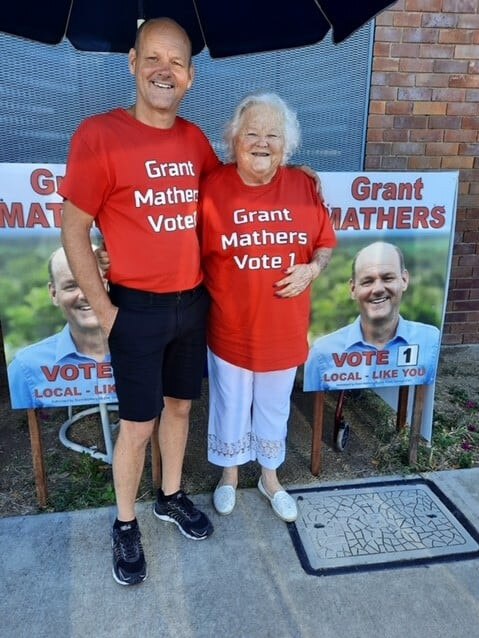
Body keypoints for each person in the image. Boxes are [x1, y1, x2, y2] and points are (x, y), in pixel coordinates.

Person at [59, 17, 222, 587]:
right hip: (136, 309)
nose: (163, 71)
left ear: (191, 77)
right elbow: (74, 229)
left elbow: (228, 199)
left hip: (191, 303)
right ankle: (125, 523)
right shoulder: (98, 136)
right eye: (153, 58)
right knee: (138, 423)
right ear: (131, 62)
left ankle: (170, 495)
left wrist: (293, 176)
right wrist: (106, 312)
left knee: (180, 408)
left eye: (175, 62)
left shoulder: (196, 141)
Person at [199, 92, 336, 522]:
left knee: (275, 405)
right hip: (230, 327)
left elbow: (326, 244)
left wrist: (313, 269)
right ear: (234, 140)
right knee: (230, 403)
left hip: (283, 329)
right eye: (252, 133)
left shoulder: (303, 185)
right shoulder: (212, 188)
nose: (262, 142)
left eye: (273, 134)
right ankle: (229, 475)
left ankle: (270, 478)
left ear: (287, 145)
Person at [303, 241, 441, 392]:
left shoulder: (430, 340)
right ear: (353, 289)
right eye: (367, 281)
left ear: (404, 280)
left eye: (388, 278)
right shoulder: (322, 352)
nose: (378, 289)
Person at [7, 246, 113, 409]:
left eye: (96, 282)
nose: (85, 295)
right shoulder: (25, 367)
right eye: (71, 286)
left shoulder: (152, 354)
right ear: (54, 294)